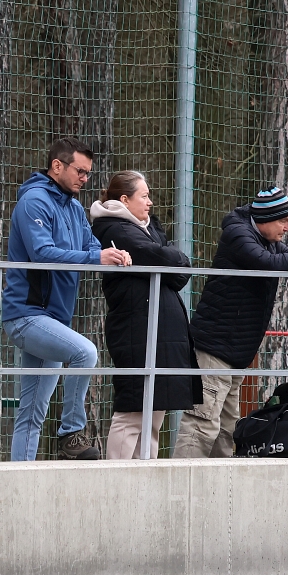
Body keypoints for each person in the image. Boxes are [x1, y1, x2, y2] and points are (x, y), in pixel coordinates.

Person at [178, 188, 288, 458]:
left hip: (235, 350)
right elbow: (267, 262)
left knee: (226, 429)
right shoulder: (239, 234)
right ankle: (182, 479)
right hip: (215, 346)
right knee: (202, 424)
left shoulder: (266, 239)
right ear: (265, 219)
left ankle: (220, 482)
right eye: (283, 221)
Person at [3, 138, 131, 462]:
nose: (84, 179)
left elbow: (92, 246)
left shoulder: (74, 208)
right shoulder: (34, 201)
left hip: (52, 320)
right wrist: (96, 258)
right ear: (57, 166)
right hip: (26, 315)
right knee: (85, 353)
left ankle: (17, 481)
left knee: (31, 414)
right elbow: (42, 253)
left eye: (88, 173)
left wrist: (113, 255)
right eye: (80, 171)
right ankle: (71, 433)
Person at [89, 171, 200, 459]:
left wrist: (170, 259)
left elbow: (175, 269)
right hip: (136, 330)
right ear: (124, 200)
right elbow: (164, 258)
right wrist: (172, 258)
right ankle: (117, 476)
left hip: (160, 330)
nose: (150, 202)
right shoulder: (115, 229)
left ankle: (145, 475)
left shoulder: (147, 227)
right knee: (133, 411)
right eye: (144, 196)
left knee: (154, 412)